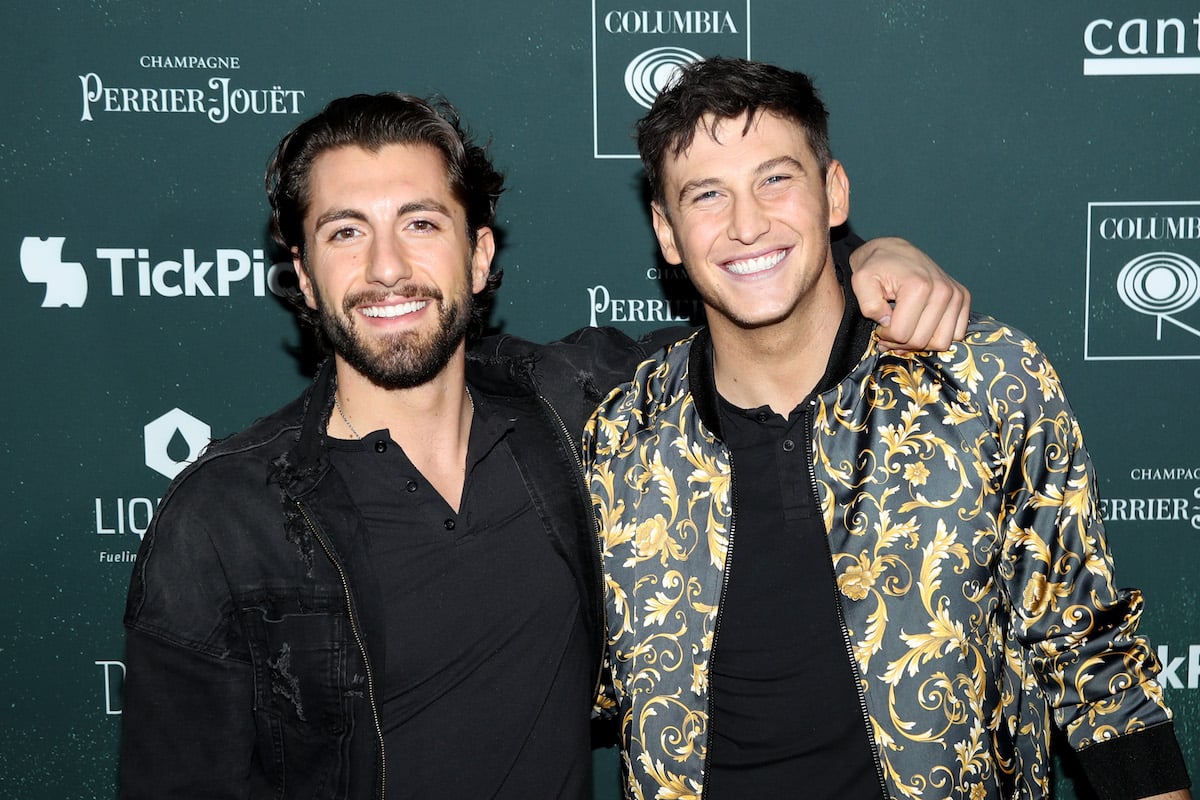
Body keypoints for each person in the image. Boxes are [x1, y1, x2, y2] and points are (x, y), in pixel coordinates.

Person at [117, 91, 968, 799]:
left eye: (420, 224)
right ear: (303, 275)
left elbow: (757, 300)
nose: (385, 268)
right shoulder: (222, 522)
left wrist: (867, 256)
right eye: (344, 232)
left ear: (479, 255)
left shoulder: (581, 408)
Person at [582, 58, 1192, 800]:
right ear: (666, 232)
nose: (747, 224)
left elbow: (1090, 657)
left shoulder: (985, 383)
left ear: (833, 193)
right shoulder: (621, 438)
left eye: (776, 179)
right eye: (707, 195)